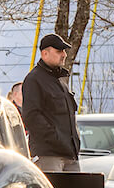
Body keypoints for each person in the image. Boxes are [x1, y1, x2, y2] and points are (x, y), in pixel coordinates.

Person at [22, 33, 80, 171]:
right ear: (45, 53)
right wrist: (57, 140)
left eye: (64, 51)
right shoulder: (34, 80)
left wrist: (73, 143)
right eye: (59, 51)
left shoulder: (60, 81)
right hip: (49, 156)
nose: (64, 54)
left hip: (70, 155)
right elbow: (31, 117)